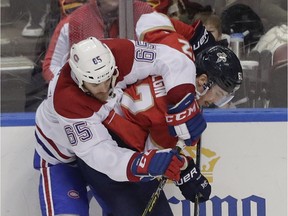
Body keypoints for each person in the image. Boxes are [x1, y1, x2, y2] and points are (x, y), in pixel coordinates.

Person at [34, 36, 207, 215]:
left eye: (107, 79)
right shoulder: (67, 99)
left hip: (111, 144)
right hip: (62, 158)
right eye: (94, 83)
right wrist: (143, 163)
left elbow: (174, 59)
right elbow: (98, 153)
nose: (103, 88)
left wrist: (183, 102)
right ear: (79, 80)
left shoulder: (120, 53)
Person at [42, 0, 154, 82]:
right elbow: (51, 68)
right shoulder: (73, 22)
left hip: (136, 97)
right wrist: (75, 85)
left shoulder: (147, 15)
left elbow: (164, 55)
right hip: (91, 97)